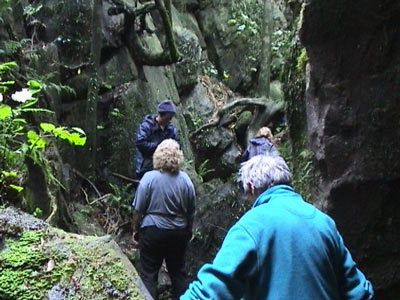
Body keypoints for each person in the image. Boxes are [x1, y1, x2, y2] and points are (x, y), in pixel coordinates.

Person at [181, 155, 374, 300]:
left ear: (250, 187)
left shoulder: (252, 225)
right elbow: (360, 292)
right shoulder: (323, 223)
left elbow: (212, 290)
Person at [132, 139, 196, 300]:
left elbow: (138, 209)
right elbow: (191, 211)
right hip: (178, 232)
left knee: (148, 274)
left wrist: (135, 229)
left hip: (152, 231)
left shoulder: (149, 178)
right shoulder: (185, 180)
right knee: (178, 274)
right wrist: (188, 230)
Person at [135, 99, 179, 179]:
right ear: (161, 115)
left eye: (170, 118)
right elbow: (140, 143)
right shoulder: (147, 125)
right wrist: (160, 147)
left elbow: (175, 143)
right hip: (146, 165)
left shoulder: (170, 129)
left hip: (164, 167)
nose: (169, 120)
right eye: (168, 118)